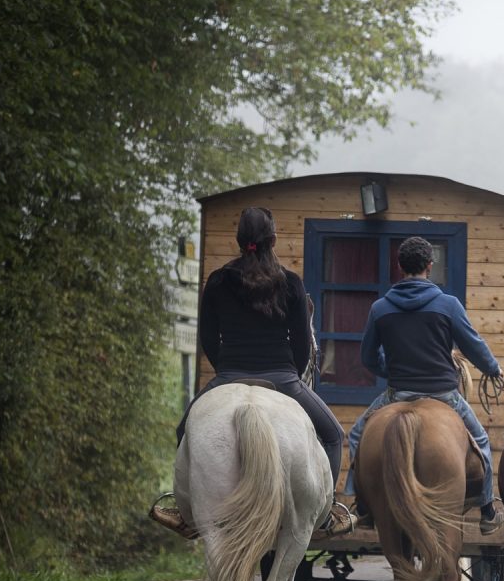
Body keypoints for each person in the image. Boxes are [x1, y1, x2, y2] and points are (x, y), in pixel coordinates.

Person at [151, 207, 353, 539]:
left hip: (229, 374)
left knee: (184, 430)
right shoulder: (290, 282)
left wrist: (226, 372)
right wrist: (289, 371)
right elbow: (303, 343)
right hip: (284, 379)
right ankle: (326, 510)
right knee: (332, 434)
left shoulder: (218, 280)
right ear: (273, 240)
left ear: (239, 240)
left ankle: (186, 512)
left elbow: (208, 338)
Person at [348, 236, 504, 535]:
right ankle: (487, 511)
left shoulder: (380, 308)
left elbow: (368, 357)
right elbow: (472, 345)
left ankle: (363, 506)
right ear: (429, 267)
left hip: (397, 393)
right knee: (482, 441)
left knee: (358, 435)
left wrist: (390, 368)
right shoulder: (448, 305)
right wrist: (492, 368)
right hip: (444, 396)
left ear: (400, 267)